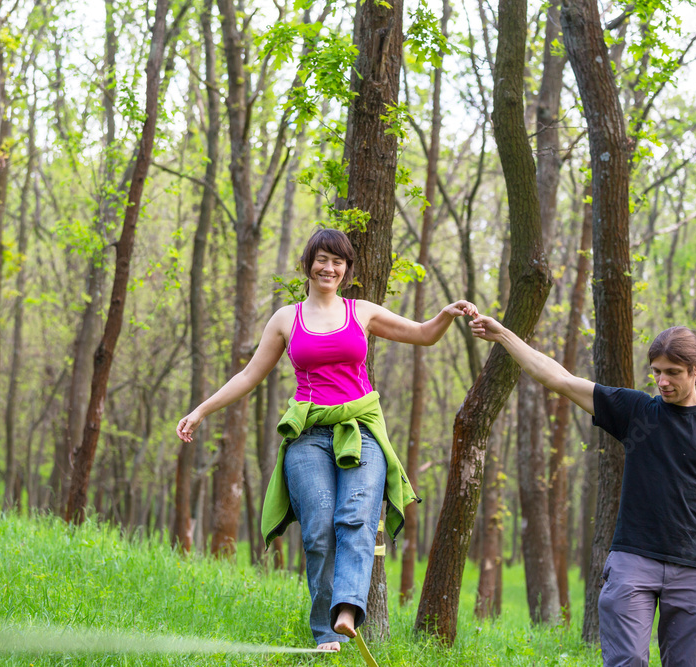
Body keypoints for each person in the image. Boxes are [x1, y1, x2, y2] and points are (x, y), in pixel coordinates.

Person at [177, 228, 478, 651]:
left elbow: (424, 334)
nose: (329, 268)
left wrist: (446, 313)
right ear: (308, 263)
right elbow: (248, 375)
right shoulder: (286, 318)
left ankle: (347, 612)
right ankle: (324, 635)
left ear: (347, 270)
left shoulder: (362, 312)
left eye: (338, 262)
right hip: (308, 434)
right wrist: (200, 410)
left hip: (361, 431)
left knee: (355, 517)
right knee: (319, 526)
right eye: (322, 259)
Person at [470, 316, 696, 667]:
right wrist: (503, 335)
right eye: (656, 372)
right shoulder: (636, 411)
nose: (662, 381)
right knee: (627, 660)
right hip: (634, 560)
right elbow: (558, 378)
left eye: (673, 373)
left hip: (694, 567)